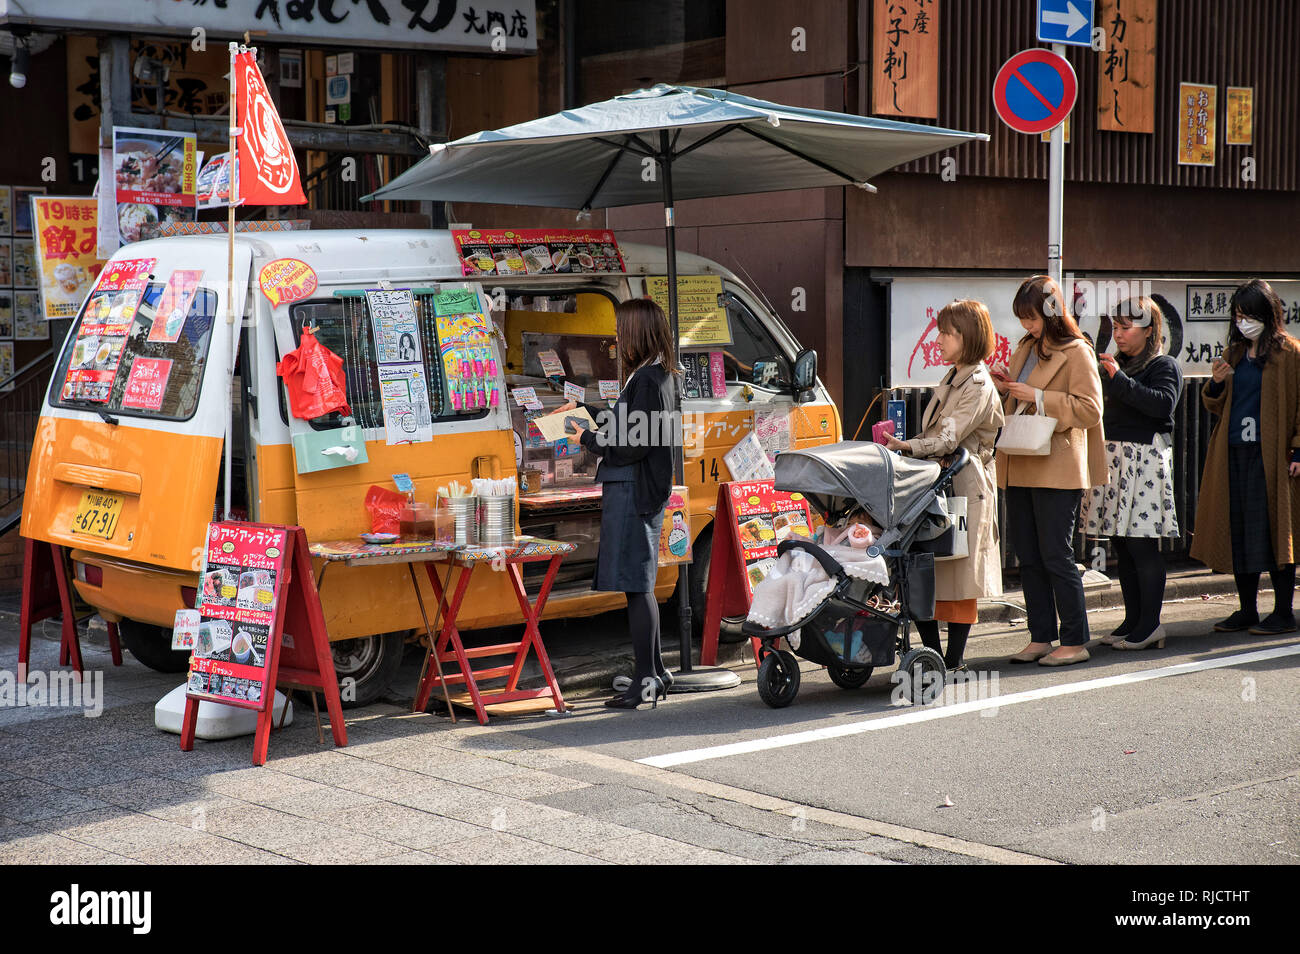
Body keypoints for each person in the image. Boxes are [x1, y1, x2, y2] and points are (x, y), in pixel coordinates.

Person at [560, 298, 679, 708]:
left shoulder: (646, 378)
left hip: (632, 487)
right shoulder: (657, 375)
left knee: (635, 585)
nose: (615, 337)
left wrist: (587, 440)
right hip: (640, 488)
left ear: (635, 333)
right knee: (639, 585)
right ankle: (656, 673)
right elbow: (632, 425)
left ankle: (646, 680)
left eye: (620, 329)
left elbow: (631, 445)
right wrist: (586, 411)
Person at [993, 275, 1107, 666]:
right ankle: (1041, 635)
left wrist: (1039, 397)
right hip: (1022, 455)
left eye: (1032, 317)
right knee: (1028, 555)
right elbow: (1024, 398)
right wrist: (1008, 387)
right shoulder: (1026, 347)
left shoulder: (1077, 350)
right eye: (1022, 318)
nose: (1027, 325)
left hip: (1057, 463)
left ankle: (1074, 640)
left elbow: (1091, 410)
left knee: (1056, 554)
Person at [886, 299, 1004, 671]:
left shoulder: (978, 383)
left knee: (958, 572)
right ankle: (935, 657)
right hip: (941, 483)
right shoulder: (956, 376)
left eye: (948, 333)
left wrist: (907, 446)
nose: (938, 339)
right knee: (929, 568)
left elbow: (949, 436)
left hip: (966, 485)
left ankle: (951, 660)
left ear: (967, 337)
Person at [1191, 279, 1300, 635]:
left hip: (1274, 455)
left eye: (1249, 314)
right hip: (1235, 451)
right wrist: (1218, 382)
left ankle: (1283, 611)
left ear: (1268, 314)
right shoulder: (1234, 354)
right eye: (1238, 315)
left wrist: (1298, 448)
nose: (1243, 322)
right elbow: (1214, 404)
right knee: (1241, 531)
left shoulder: (1290, 354)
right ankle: (1247, 609)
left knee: (1275, 531)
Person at [1083, 297, 1184, 650]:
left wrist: (1119, 380)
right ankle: (1133, 620)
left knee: (1142, 545)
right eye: (1117, 327)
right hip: (1115, 459)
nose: (1120, 335)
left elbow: (1162, 405)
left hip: (1144, 461)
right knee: (1122, 545)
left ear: (1149, 330)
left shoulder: (1163, 365)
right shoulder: (1115, 365)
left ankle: (1150, 624)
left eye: (1127, 327)